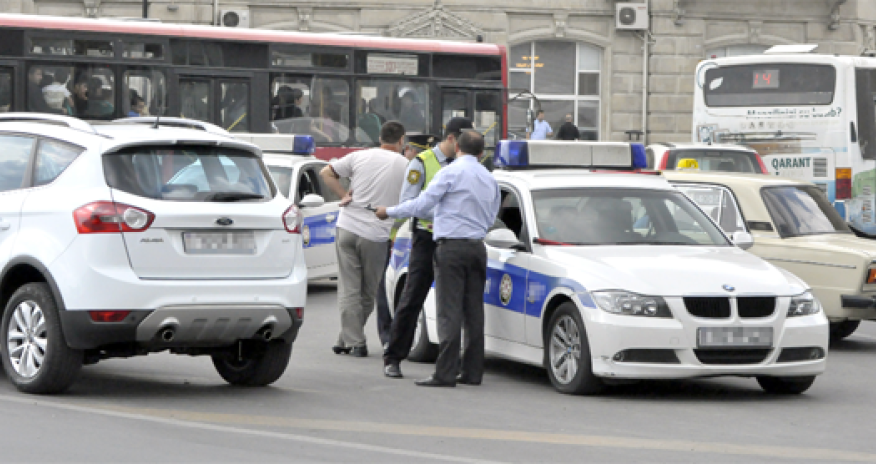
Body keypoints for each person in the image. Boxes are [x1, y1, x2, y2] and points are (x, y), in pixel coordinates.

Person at [376, 130, 500, 387]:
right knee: (473, 311)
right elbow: (490, 218)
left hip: (450, 247)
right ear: (480, 153)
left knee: (448, 311)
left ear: (457, 148)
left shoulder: (450, 172)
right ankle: (471, 372)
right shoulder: (489, 178)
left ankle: (444, 373)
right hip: (477, 247)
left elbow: (420, 205)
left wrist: (388, 212)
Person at [380, 117, 473, 380]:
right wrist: (447, 213)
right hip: (426, 238)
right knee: (412, 298)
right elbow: (409, 201)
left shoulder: (465, 164)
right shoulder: (421, 163)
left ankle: (453, 364)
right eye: (463, 140)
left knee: (454, 303)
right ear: (452, 139)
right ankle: (394, 357)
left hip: (455, 241)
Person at [319, 121, 410, 358]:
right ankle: (356, 341)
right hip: (376, 234)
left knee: (349, 288)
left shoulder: (359, 156)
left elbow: (326, 173)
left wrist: (343, 195)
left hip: (347, 226)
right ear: (401, 141)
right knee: (367, 292)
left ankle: (346, 338)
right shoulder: (405, 165)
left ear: (380, 138)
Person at [374, 133, 437, 349]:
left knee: (394, 291)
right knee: (399, 292)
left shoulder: (416, 167)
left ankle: (389, 338)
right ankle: (390, 340)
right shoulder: (411, 168)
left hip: (400, 233)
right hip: (398, 234)